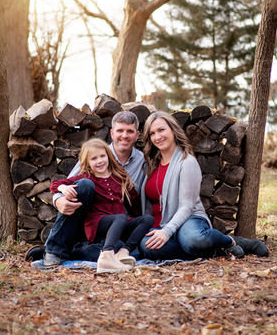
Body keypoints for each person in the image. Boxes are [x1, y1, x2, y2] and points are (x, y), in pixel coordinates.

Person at [31, 111, 146, 266]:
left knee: (121, 245)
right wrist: (59, 197)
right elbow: (67, 185)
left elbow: (136, 199)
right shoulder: (95, 153)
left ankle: (70, 252)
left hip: (115, 228)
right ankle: (55, 249)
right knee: (85, 184)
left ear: (137, 134)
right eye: (120, 131)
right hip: (89, 222)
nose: (124, 136)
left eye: (130, 131)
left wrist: (137, 221)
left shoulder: (142, 163)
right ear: (112, 133)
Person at [138, 111, 246, 260]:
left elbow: (187, 206)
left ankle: (230, 241)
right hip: (160, 225)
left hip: (188, 220)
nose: (157, 137)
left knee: (194, 240)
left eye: (161, 130)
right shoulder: (150, 166)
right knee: (146, 246)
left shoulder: (186, 162)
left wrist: (167, 232)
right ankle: (212, 251)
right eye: (152, 133)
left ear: (173, 130)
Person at [48, 138, 153, 273]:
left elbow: (133, 200)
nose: (99, 161)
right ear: (87, 162)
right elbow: (55, 184)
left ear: (108, 156)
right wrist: (63, 188)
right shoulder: (86, 177)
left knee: (147, 219)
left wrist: (137, 220)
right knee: (120, 218)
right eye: (94, 159)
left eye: (102, 156)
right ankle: (106, 256)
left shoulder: (119, 176)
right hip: (98, 223)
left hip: (118, 223)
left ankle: (123, 252)